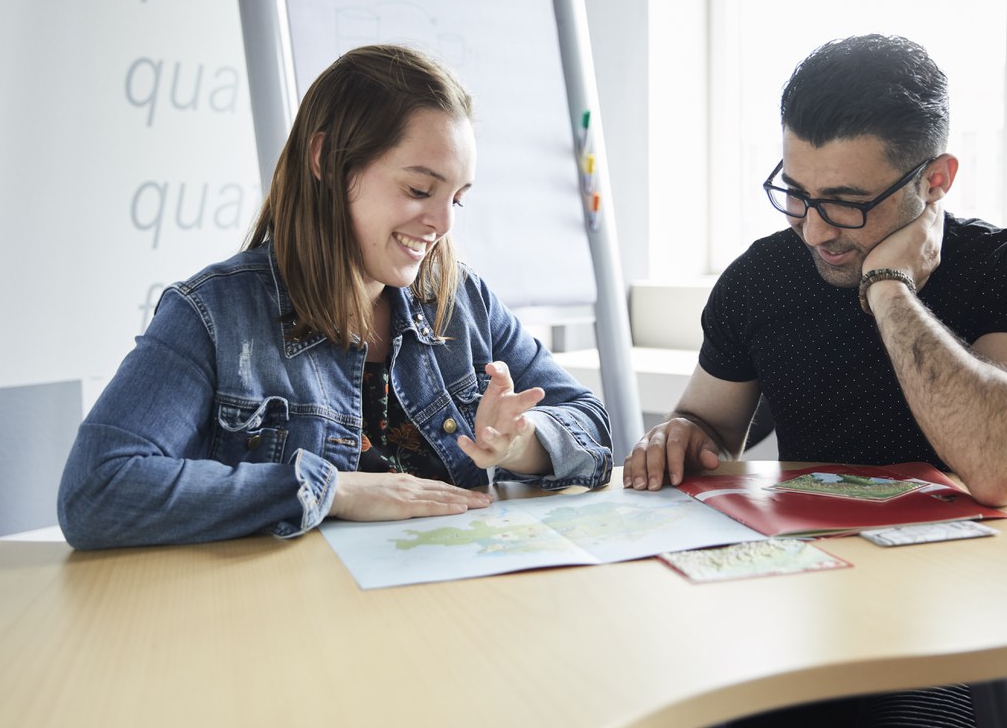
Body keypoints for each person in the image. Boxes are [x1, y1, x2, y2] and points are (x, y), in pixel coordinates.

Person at [626, 35, 1007, 728]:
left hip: (973, 605)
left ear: (935, 181)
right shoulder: (763, 277)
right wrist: (677, 434)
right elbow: (707, 420)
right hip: (803, 587)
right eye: (795, 194)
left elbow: (1001, 466)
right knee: (651, 721)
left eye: (843, 203)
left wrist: (889, 291)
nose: (812, 228)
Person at [59, 44, 612, 550]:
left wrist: (519, 445)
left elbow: (592, 425)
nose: (442, 223)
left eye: (456, 199)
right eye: (419, 189)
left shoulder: (463, 300)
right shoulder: (212, 315)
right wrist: (334, 489)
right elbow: (98, 488)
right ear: (327, 161)